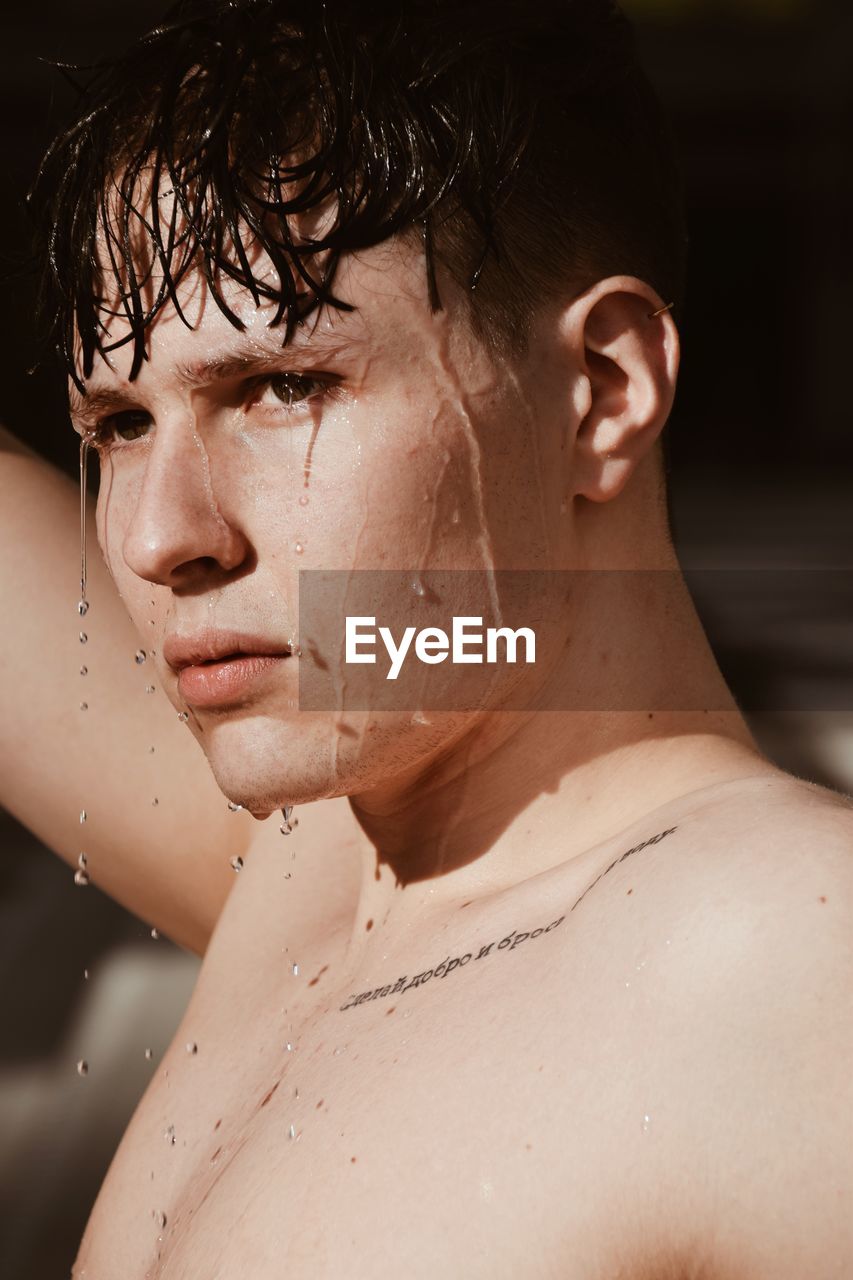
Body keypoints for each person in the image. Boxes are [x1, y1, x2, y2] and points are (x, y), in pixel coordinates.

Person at [2, 0, 851, 1274]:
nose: (160, 536)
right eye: (120, 425)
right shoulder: (316, 874)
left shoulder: (789, 960)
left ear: (602, 395)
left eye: (284, 387)